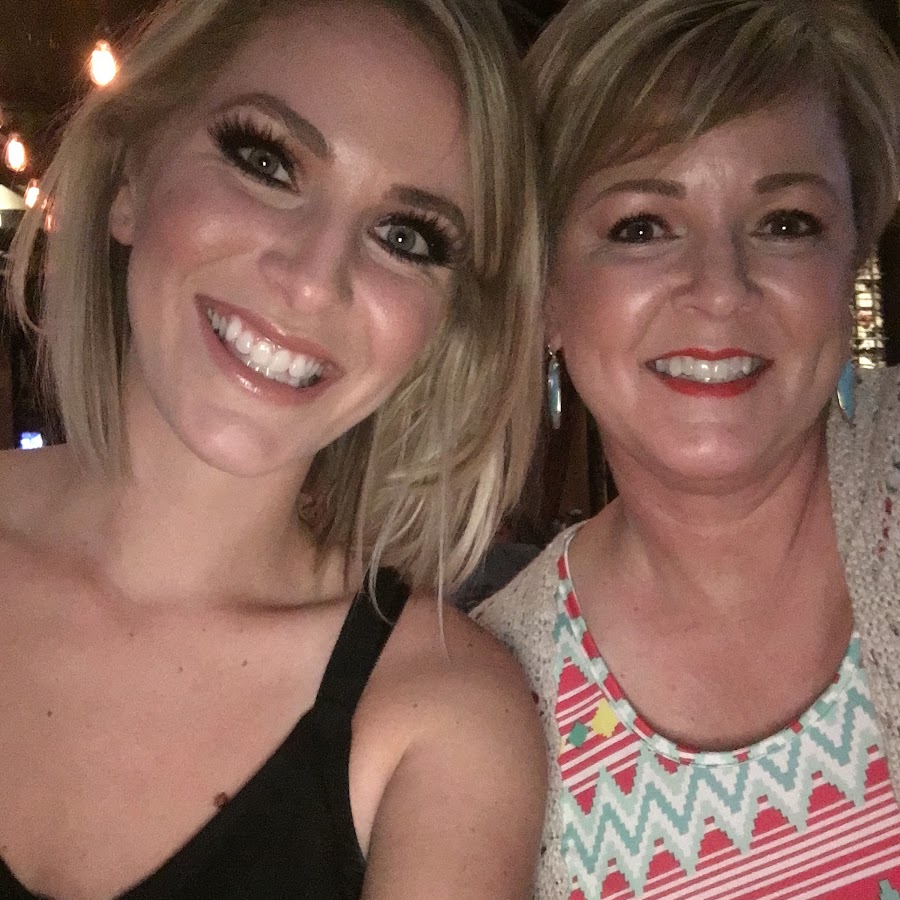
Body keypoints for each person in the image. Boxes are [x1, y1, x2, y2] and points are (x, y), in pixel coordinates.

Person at [0, 0, 548, 897]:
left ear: (445, 327)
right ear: (133, 173)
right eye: (267, 162)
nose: (312, 280)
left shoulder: (441, 717)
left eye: (405, 237)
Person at [475, 0, 900, 896]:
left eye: (786, 222)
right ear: (546, 295)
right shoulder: (485, 696)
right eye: (640, 227)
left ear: (851, 264)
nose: (720, 288)